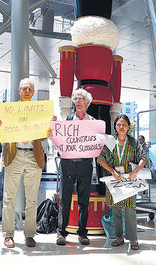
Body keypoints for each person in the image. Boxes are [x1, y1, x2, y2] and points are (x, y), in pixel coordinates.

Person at [0, 78, 55, 248]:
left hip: (33, 156)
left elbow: (44, 135)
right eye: (24, 88)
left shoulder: (40, 111)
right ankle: (8, 234)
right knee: (8, 197)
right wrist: (0, 125)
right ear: (19, 91)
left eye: (30, 88)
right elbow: (4, 132)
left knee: (32, 199)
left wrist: (49, 125)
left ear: (33, 92)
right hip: (14, 155)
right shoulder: (10, 110)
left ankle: (29, 234)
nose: (27, 91)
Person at [97, 114, 150, 251]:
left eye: (124, 125)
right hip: (114, 179)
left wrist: (136, 171)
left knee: (130, 209)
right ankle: (119, 237)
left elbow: (144, 157)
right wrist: (113, 171)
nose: (121, 127)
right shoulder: (110, 141)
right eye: (118, 124)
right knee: (115, 209)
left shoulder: (133, 142)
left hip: (129, 180)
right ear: (115, 126)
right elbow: (100, 159)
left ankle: (133, 239)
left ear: (128, 127)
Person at [54, 88, 94, 246]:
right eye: (75, 99)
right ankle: (61, 233)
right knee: (65, 199)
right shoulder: (67, 121)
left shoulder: (93, 123)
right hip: (68, 164)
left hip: (85, 164)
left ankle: (82, 233)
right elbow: (59, 141)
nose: (77, 102)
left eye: (81, 99)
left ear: (88, 103)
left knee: (84, 200)